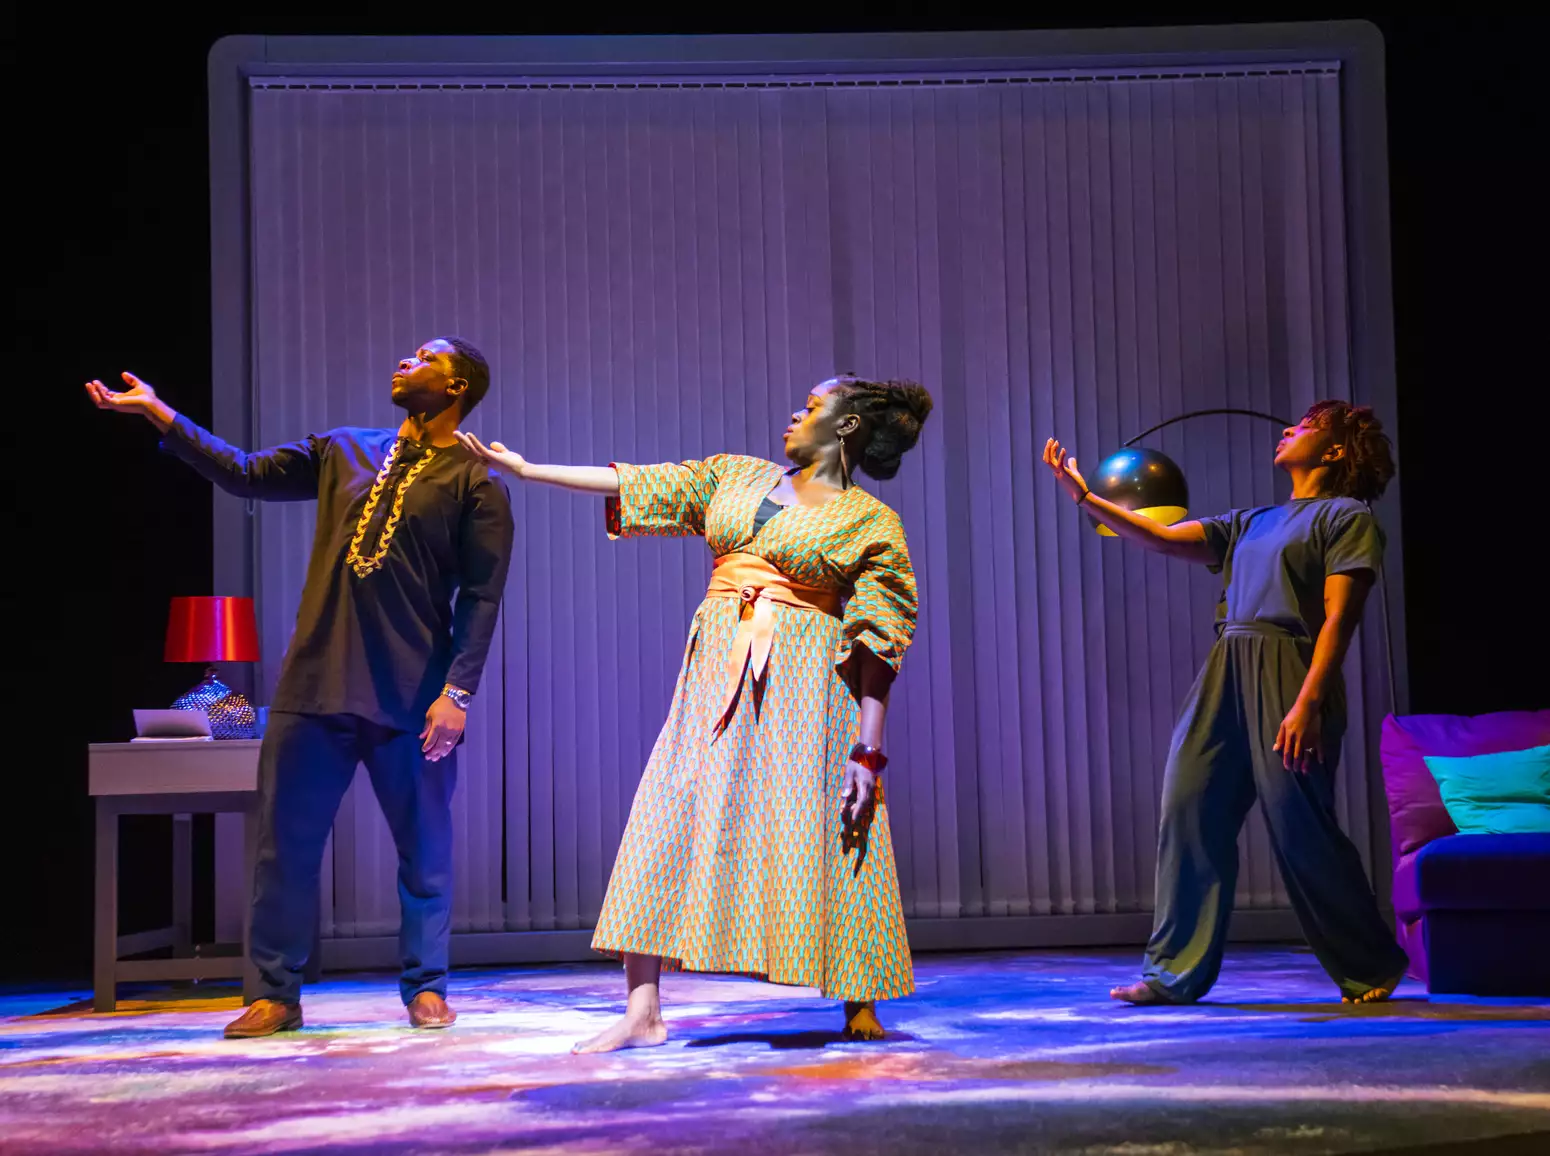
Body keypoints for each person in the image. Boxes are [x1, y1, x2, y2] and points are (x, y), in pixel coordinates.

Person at [459, 374, 932, 1052]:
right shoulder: (735, 477)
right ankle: (642, 1011)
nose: (792, 415)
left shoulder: (871, 521)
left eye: (810, 406)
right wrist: (528, 469)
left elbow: (878, 643)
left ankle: (861, 1002)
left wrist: (867, 750)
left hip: (808, 686)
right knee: (662, 816)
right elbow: (641, 484)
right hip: (714, 678)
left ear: (848, 425)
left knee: (837, 822)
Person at [86, 338, 515, 1037]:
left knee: (425, 849)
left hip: (411, 695)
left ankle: (426, 988)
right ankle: (276, 993)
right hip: (314, 685)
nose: (403, 362)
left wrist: (457, 694)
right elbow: (246, 473)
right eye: (404, 354)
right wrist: (160, 415)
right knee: (284, 848)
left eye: (422, 357)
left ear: (457, 384)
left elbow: (482, 597)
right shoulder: (343, 449)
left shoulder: (478, 480)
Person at [1043, 400, 1408, 1006]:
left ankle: (1370, 963)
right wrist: (1082, 495)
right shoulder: (1253, 520)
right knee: (1189, 805)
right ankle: (1172, 974)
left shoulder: (1348, 519)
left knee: (1299, 825)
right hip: (1227, 668)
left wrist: (1309, 701)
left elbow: (1340, 619)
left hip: (1291, 670)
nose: (1290, 429)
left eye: (1309, 426)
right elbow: (1159, 537)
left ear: (1337, 450)